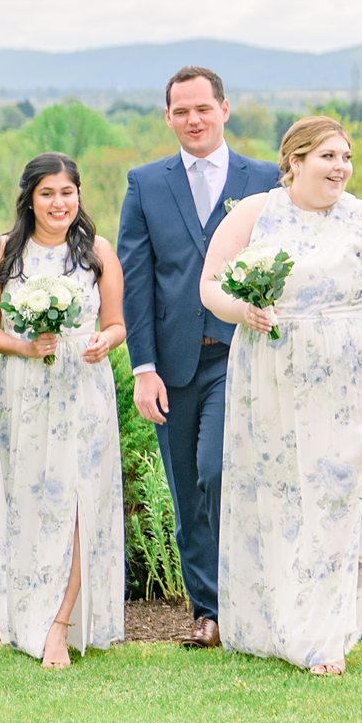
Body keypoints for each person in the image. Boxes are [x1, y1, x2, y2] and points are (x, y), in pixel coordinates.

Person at [202, 116, 362, 675]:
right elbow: (211, 283)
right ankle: (272, 623)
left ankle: (325, 636)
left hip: (346, 382)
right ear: (293, 161)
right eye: (327, 157)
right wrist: (242, 309)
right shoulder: (254, 213)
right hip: (266, 378)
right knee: (276, 496)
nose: (340, 167)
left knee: (335, 498)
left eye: (346, 157)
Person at [117, 66, 282, 650]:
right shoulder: (146, 183)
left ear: (224, 109)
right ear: (168, 117)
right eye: (181, 111)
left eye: (202, 109)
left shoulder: (264, 178)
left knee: (218, 471)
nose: (193, 120)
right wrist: (143, 369)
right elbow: (135, 283)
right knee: (188, 488)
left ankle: (249, 599)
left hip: (244, 355)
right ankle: (207, 611)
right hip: (174, 363)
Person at [0, 153, 128, 668]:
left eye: (67, 193)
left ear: (79, 197)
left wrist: (101, 343)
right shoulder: (3, 249)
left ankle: (60, 624)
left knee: (78, 504)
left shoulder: (98, 252)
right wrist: (24, 347)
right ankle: (30, 616)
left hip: (83, 390)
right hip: (25, 392)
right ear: (29, 198)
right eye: (47, 193)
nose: (58, 203)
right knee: (31, 504)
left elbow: (116, 323)